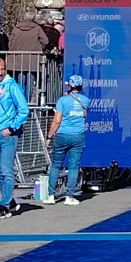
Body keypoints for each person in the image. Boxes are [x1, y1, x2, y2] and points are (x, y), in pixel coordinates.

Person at [0, 56, 29, 219]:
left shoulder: (12, 87)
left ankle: (4, 205)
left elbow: (24, 110)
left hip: (7, 135)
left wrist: (12, 127)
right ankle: (10, 201)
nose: (0, 72)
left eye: (3, 69)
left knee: (6, 170)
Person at [44, 75, 89, 206]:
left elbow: (57, 120)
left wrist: (49, 136)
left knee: (56, 165)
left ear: (69, 86)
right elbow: (84, 113)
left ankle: (51, 195)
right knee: (74, 166)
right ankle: (69, 196)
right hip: (78, 136)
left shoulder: (63, 100)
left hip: (62, 135)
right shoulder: (86, 100)